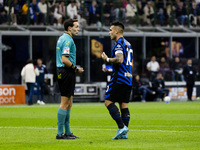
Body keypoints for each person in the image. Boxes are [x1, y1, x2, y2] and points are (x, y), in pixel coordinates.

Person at [101, 21, 133, 139]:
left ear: (117, 31)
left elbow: (119, 60)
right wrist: (110, 70)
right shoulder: (128, 43)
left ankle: (121, 127)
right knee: (123, 105)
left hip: (119, 79)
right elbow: (125, 63)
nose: (109, 32)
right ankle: (124, 134)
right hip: (128, 78)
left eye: (110, 30)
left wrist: (107, 60)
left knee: (108, 102)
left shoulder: (119, 43)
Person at [56, 19, 84, 139]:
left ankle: (67, 131)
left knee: (69, 103)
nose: (78, 29)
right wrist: (76, 69)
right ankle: (59, 133)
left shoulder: (62, 38)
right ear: (69, 28)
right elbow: (64, 59)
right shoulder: (67, 40)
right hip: (66, 71)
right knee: (64, 103)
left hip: (65, 72)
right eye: (76, 27)